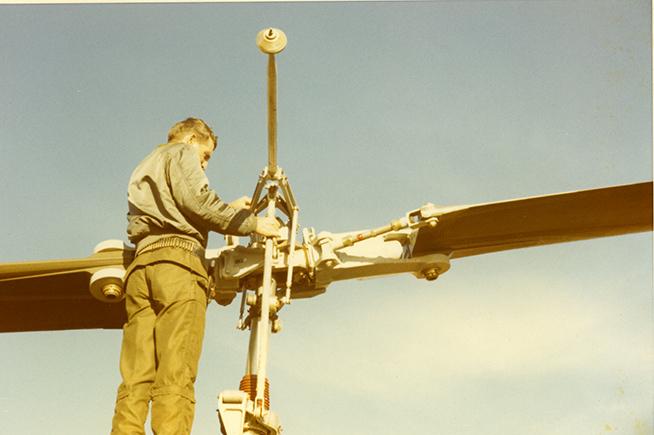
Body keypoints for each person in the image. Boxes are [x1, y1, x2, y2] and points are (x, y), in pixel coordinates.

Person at [111, 117, 280, 435]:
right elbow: (198, 201)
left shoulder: (145, 165)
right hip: (178, 269)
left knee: (135, 376)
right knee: (175, 372)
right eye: (206, 155)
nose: (204, 164)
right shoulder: (180, 153)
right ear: (191, 139)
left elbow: (177, 209)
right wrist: (252, 223)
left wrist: (227, 209)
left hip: (142, 268)